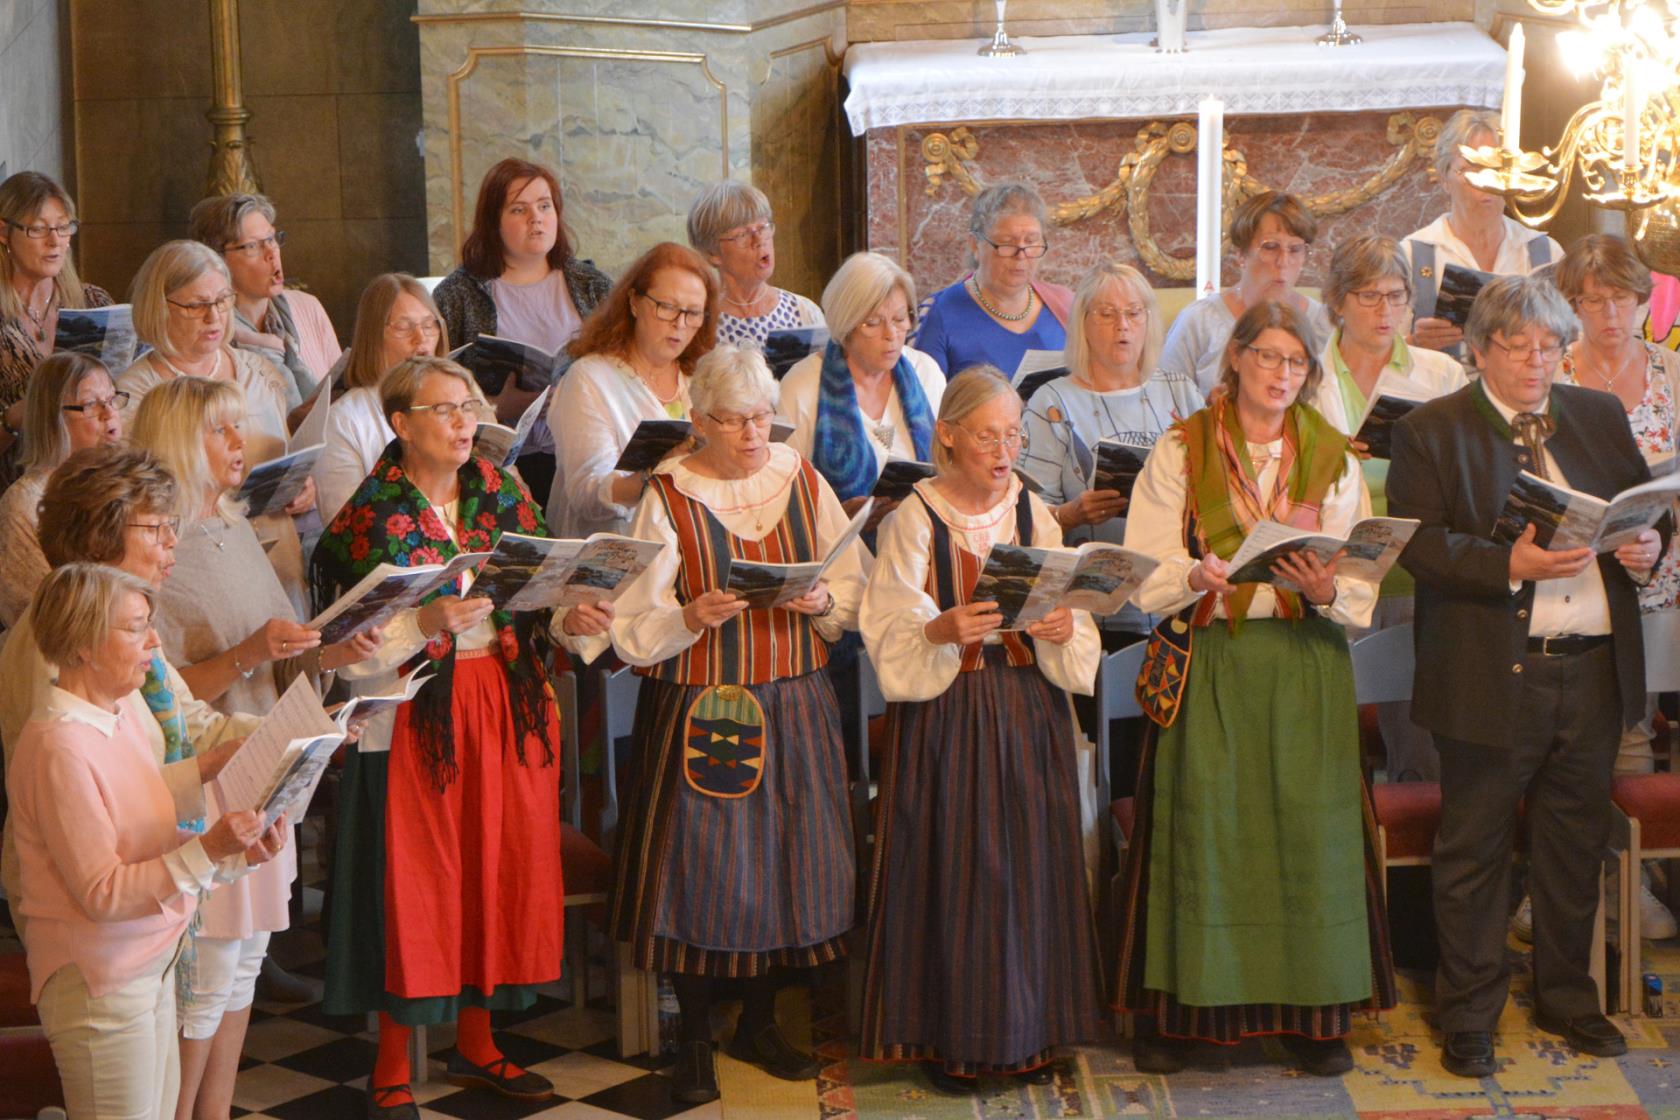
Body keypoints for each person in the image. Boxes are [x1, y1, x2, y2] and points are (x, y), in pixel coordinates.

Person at [561, 344, 866, 1103]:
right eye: (732, 421)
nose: (753, 433)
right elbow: (632, 620)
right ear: (695, 422)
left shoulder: (800, 477)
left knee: (784, 867)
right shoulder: (668, 494)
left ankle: (758, 1024)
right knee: (696, 875)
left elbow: (850, 582)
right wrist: (689, 616)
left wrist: (823, 603)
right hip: (701, 704)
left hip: (794, 700)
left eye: (762, 417)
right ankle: (693, 1039)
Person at [1388, 274, 1663, 1077]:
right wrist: (1507, 561)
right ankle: (1469, 1013)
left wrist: (1651, 546)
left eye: (1552, 345)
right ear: (1478, 352)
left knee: (1573, 846)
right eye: (1520, 346)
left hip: (1593, 670)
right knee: (1473, 849)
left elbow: (1643, 509)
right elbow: (1420, 546)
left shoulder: (1596, 413)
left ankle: (1567, 997)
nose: (1539, 360)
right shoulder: (1432, 430)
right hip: (1489, 672)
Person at [1116, 301, 1397, 1077]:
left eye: (1296, 364)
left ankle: (1315, 1016)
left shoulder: (1332, 456)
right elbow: (1143, 571)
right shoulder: (1183, 450)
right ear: (1236, 358)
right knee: (1208, 829)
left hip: (1303, 661)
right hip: (1213, 658)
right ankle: (1183, 1015)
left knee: (1308, 834)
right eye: (1267, 358)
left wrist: (1324, 588)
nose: (1280, 375)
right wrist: (1194, 574)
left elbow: (1361, 579)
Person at [312, 356, 567, 1117]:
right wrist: (419, 624)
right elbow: (344, 637)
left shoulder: (502, 490)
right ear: (401, 424)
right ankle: (391, 1063)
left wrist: (569, 610)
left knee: (496, 867)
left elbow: (539, 586)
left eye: (470, 407)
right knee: (420, 881)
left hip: (502, 699)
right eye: (445, 409)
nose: (464, 422)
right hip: (414, 709)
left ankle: (480, 1044)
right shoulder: (371, 515)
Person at [131, 377, 378, 1120]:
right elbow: (159, 690)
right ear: (179, 441)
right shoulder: (157, 545)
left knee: (240, 972)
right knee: (203, 982)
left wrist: (335, 658)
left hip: (266, 764)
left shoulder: (237, 524)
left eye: (240, 428)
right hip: (202, 780)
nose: (243, 445)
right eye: (223, 432)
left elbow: (278, 655)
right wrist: (249, 652)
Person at [857, 368, 1103, 1094]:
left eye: (1014, 436)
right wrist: (939, 626)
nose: (1004, 451)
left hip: (1028, 708)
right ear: (950, 436)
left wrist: (1062, 622)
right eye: (989, 435)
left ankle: (1037, 1028)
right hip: (949, 717)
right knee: (963, 868)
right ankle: (954, 1037)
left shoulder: (1036, 513)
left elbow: (1073, 609)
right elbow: (888, 626)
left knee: (1031, 864)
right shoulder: (914, 518)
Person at [8, 561, 282, 1120]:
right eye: (135, 627)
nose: (154, 640)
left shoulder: (122, 717)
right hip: (100, 986)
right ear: (84, 644)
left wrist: (234, 858)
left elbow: (155, 844)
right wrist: (209, 851)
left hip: (151, 964)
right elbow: (103, 893)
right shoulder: (59, 746)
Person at [0, 445, 253, 936]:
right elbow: (87, 784)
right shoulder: (60, 634)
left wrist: (299, 727)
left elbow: (194, 723)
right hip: (87, 897)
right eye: (156, 528)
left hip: (152, 863)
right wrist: (203, 769)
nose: (171, 544)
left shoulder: (126, 618)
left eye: (171, 527)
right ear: (99, 536)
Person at [1306, 235, 1466, 781]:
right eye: (1369, 296)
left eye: (1396, 296)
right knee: (1327, 739)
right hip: (1333, 568)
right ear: (1338, 301)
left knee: (1419, 748)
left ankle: (1409, 864)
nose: (1386, 311)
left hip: (1411, 574)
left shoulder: (1438, 373)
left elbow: (1466, 470)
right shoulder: (1305, 376)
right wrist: (1331, 457)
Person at [1021, 260, 1204, 639]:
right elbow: (1026, 514)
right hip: (1093, 610)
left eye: (1134, 313)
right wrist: (1071, 514)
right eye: (1107, 314)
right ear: (1082, 324)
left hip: (1180, 594)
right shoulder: (1052, 401)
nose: (1123, 325)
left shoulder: (1180, 390)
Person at [433, 157, 612, 499]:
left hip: (585, 453)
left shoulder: (592, 285)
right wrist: (499, 406)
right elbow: (433, 388)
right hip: (498, 465)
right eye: (518, 210)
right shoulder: (457, 294)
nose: (536, 219)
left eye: (545, 206)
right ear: (492, 222)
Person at [546, 241, 717, 538]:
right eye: (667, 307)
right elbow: (586, 495)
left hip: (692, 549)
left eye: (693, 313)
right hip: (613, 559)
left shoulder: (701, 378)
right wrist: (652, 476)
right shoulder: (589, 378)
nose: (680, 324)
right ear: (634, 302)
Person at [780, 251, 945, 513]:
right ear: (845, 325)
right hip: (839, 547)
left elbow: (950, 468)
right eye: (872, 323)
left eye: (900, 319)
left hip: (918, 542)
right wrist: (837, 517)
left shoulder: (926, 372)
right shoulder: (801, 387)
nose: (891, 335)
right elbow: (782, 494)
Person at [115, 240, 295, 474]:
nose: (213, 316)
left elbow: (287, 459)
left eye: (221, 301)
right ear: (160, 308)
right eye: (196, 305)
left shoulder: (259, 372)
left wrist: (299, 486)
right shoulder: (133, 395)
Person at [1401, 109, 1562, 354]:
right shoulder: (1413, 254)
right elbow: (1381, 353)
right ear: (1444, 178)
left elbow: (1575, 342)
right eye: (1472, 170)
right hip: (1441, 389)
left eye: (1496, 169)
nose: (1486, 182)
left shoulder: (1546, 253)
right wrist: (1415, 343)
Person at [1158, 191, 1333, 397]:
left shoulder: (1323, 324)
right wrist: (1208, 412)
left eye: (1295, 250)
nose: (1283, 261)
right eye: (1270, 247)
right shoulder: (1199, 321)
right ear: (1241, 254)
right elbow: (1164, 404)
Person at [0, 351, 126, 627]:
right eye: (91, 404)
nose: (110, 413)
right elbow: (34, 614)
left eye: (112, 399)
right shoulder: (24, 503)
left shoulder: (127, 479)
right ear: (53, 418)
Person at [313, 273, 448, 522]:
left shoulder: (461, 398)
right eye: (404, 327)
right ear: (374, 335)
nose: (422, 338)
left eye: (429, 325)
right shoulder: (344, 421)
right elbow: (345, 527)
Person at [0, 171, 112, 470]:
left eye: (63, 227)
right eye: (38, 229)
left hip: (93, 473)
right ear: (3, 232)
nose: (55, 241)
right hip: (18, 481)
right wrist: (15, 418)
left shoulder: (93, 301)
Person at [187, 193, 342, 407]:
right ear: (217, 259)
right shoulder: (209, 332)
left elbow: (340, 395)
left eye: (271, 239)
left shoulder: (308, 306)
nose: (271, 252)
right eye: (252, 246)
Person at [910, 182, 1071, 377]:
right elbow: (921, 400)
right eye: (1006, 242)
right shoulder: (939, 314)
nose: (1021, 255)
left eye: (1031, 242)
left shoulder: (1064, 305)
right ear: (975, 245)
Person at [686, 180, 823, 347]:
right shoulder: (699, 323)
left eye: (763, 227)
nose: (759, 240)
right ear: (713, 253)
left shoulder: (803, 312)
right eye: (742, 234)